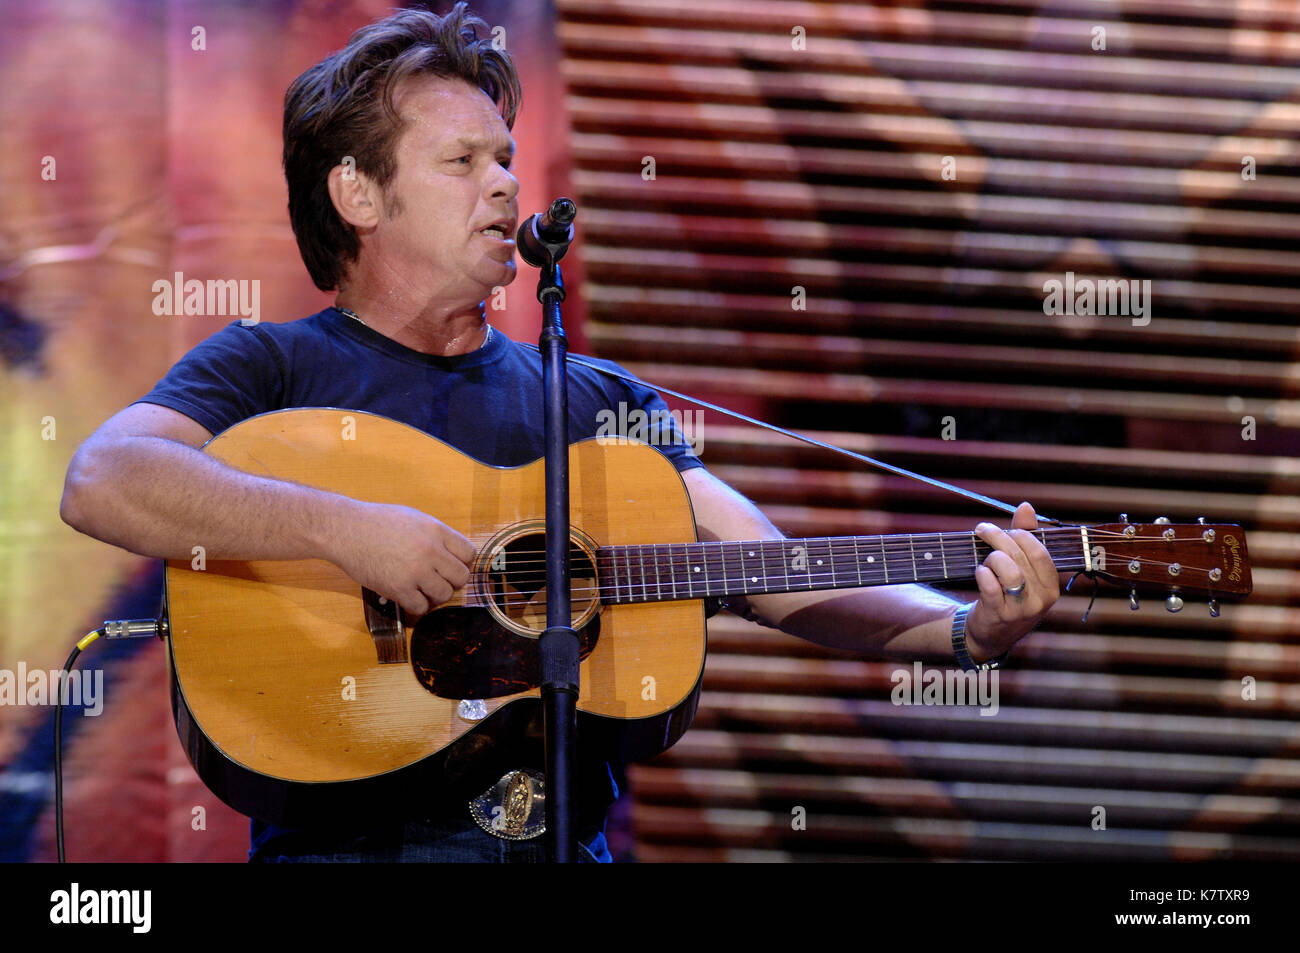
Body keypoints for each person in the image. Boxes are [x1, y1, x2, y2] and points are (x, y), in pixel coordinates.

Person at [58, 4, 1060, 863]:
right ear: (357, 193)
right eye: (462, 160)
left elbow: (764, 564)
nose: (505, 183)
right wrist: (346, 527)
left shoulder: (593, 400)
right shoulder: (271, 367)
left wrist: (966, 625)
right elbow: (106, 476)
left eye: (505, 157)